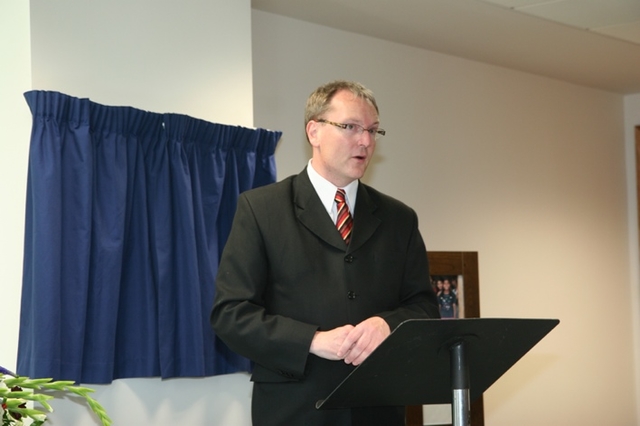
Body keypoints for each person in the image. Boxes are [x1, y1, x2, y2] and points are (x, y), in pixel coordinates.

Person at [210, 80, 440, 426]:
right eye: (350, 127)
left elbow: (424, 308)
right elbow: (230, 315)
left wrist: (387, 325)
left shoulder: (399, 219)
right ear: (313, 131)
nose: (365, 141)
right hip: (294, 411)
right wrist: (312, 340)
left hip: (378, 410)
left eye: (373, 130)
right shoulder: (261, 209)